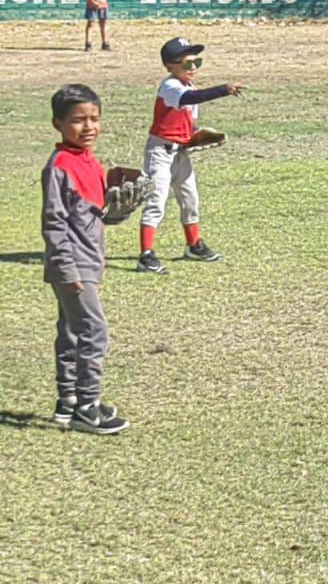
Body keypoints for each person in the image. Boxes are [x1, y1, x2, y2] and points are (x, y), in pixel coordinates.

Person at [42, 84, 130, 433]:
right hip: (72, 265)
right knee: (94, 331)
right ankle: (88, 406)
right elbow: (54, 222)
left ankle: (69, 402)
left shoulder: (90, 162)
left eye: (94, 119)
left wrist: (117, 211)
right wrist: (66, 268)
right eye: (78, 120)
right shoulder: (60, 166)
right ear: (58, 124)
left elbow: (94, 213)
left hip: (87, 261)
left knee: (72, 332)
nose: (88, 127)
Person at [137, 37, 245, 274]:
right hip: (160, 152)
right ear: (170, 66)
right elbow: (189, 100)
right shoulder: (170, 86)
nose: (193, 68)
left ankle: (193, 245)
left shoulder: (189, 87)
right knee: (156, 201)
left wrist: (196, 136)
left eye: (197, 62)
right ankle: (145, 255)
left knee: (190, 199)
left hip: (180, 154)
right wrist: (223, 90)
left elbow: (188, 119)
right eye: (187, 64)